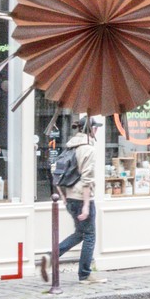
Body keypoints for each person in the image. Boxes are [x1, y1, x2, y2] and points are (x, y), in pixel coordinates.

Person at [40, 114, 104, 284]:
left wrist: (63, 197)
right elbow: (87, 179)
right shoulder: (88, 149)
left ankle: (51, 256)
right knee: (89, 235)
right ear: (91, 130)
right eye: (95, 127)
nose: (97, 130)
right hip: (82, 198)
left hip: (70, 197)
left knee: (80, 233)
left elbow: (57, 172)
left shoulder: (70, 147)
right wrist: (86, 205)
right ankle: (85, 274)